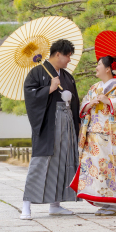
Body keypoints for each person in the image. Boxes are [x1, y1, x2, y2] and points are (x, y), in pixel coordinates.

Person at [20, 39, 81, 220]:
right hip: (49, 123)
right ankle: (26, 204)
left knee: (64, 160)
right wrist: (49, 89)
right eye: (67, 55)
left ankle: (56, 205)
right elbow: (30, 95)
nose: (69, 59)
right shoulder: (37, 73)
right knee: (41, 161)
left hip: (67, 121)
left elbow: (75, 101)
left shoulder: (67, 76)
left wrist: (76, 120)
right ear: (57, 54)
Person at [71, 55, 116, 216]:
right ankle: (103, 202)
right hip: (94, 136)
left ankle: (113, 205)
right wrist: (90, 103)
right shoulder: (94, 87)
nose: (96, 67)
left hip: (111, 138)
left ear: (108, 69)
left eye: (99, 64)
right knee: (97, 170)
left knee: (111, 169)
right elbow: (83, 105)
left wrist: (110, 102)